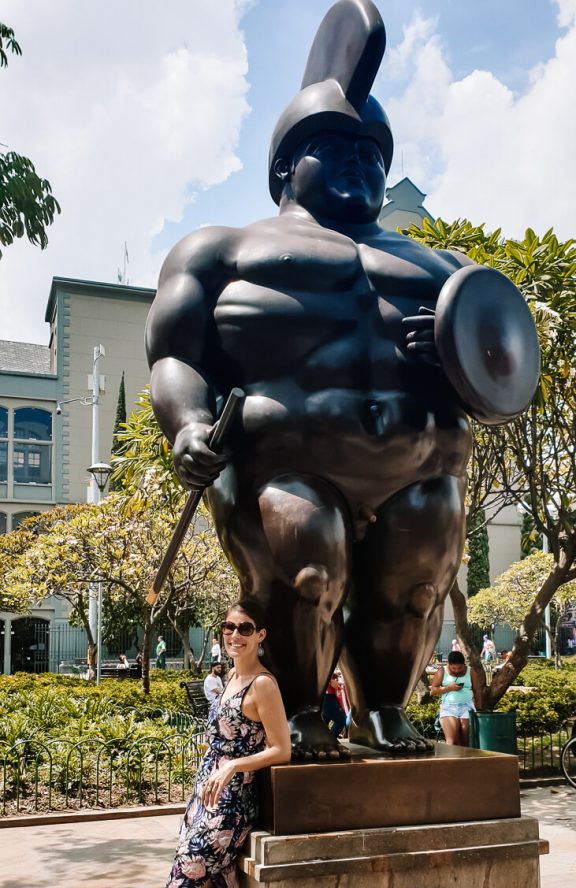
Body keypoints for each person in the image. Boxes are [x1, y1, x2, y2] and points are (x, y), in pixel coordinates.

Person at [146, 0, 537, 758]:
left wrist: (454, 359)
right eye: (339, 148)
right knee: (308, 567)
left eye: (373, 155)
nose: (361, 165)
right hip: (285, 465)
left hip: (421, 467)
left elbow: (500, 375)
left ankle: (385, 708)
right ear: (287, 166)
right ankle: (301, 715)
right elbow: (175, 356)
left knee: (417, 587)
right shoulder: (221, 250)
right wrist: (188, 423)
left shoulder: (444, 270)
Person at [159, 600, 291, 888]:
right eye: (229, 627)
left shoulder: (262, 684)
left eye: (245, 628)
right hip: (203, 803)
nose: (234, 635)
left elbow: (281, 749)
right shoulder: (230, 676)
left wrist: (234, 763)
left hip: (229, 812)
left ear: (261, 635)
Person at [430, 651, 478, 746]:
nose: (456, 670)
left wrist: (479, 708)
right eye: (453, 668)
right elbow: (433, 691)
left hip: (467, 706)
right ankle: (452, 760)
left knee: (465, 739)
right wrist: (448, 688)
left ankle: (464, 759)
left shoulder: (471, 671)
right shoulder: (442, 671)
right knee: (452, 741)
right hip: (448, 707)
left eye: (459, 667)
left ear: (464, 664)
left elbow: (477, 690)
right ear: (448, 664)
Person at [321, 670, 348, 737]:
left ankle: (327, 741)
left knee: (324, 723)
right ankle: (330, 740)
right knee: (341, 719)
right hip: (327, 695)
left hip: (329, 695)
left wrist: (333, 675)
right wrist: (330, 680)